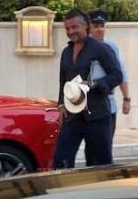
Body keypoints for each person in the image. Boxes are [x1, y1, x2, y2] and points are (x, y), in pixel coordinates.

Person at [53, 9, 123, 169]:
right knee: (61, 159)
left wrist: (95, 84)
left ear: (85, 26)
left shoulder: (100, 48)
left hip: (97, 116)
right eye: (67, 28)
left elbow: (117, 75)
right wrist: (61, 104)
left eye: (74, 27)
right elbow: (63, 80)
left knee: (99, 165)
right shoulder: (66, 52)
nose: (71, 32)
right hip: (72, 115)